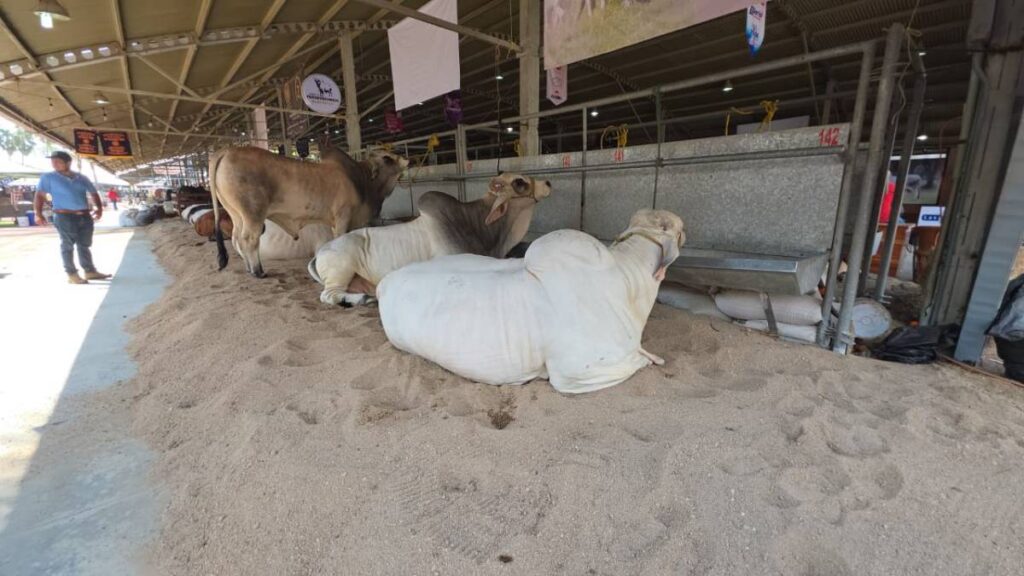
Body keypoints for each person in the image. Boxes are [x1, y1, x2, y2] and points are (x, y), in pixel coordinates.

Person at [34, 151, 112, 284]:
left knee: (84, 244)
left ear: (68, 163)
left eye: (58, 161)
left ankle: (89, 271)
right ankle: (71, 274)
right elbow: (40, 195)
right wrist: (38, 213)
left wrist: (99, 209)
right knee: (67, 245)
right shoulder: (48, 177)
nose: (54, 164)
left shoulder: (81, 178)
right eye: (53, 161)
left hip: (84, 215)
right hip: (64, 215)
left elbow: (93, 193)